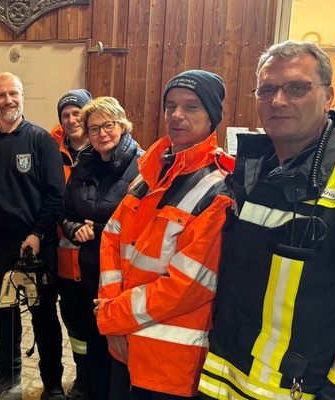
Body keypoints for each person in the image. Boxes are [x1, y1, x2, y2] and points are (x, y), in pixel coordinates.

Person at [198, 41, 335, 400]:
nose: (279, 101)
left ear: (328, 95)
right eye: (267, 89)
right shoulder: (256, 173)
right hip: (226, 382)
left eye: (297, 87)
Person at [95, 70, 233, 399]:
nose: (177, 115)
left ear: (212, 117)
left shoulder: (217, 190)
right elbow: (112, 237)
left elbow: (188, 286)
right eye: (170, 106)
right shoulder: (150, 174)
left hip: (168, 362)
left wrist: (115, 316)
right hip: (124, 345)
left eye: (191, 107)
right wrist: (115, 320)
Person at [0, 72, 66, 400]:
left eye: (13, 93)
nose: (8, 100)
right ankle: (6, 373)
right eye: (1, 95)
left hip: (36, 245)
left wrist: (38, 234)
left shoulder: (41, 141)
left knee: (44, 316)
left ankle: (52, 381)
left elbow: (56, 195)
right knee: (3, 313)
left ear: (22, 96)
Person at [59, 96, 144, 400]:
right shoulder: (84, 165)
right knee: (95, 346)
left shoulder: (144, 166)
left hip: (126, 277)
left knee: (122, 353)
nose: (101, 133)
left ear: (122, 124)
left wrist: (98, 229)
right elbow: (66, 211)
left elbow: (145, 223)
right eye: (93, 129)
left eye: (108, 125)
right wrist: (73, 228)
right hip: (90, 273)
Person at [49, 89, 92, 400]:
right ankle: (82, 375)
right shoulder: (51, 152)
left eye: (77, 113)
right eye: (65, 115)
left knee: (100, 324)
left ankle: (99, 376)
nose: (71, 119)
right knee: (75, 324)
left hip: (99, 261)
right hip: (65, 260)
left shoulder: (109, 148)